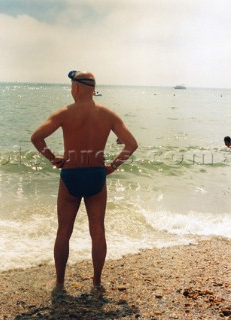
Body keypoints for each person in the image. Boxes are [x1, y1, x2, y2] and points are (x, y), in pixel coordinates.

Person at [31, 70, 138, 290]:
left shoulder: (64, 113)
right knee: (97, 230)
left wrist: (53, 159)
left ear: (77, 88)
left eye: (71, 86)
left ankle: (60, 282)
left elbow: (36, 137)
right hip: (96, 175)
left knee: (64, 231)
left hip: (71, 174)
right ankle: (97, 282)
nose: (71, 90)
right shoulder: (108, 114)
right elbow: (131, 144)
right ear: (92, 89)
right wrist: (112, 166)